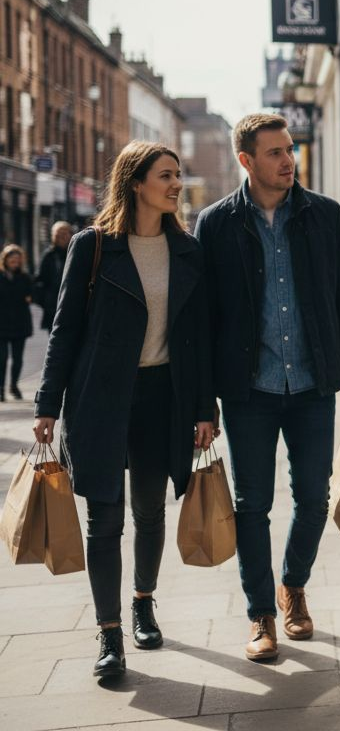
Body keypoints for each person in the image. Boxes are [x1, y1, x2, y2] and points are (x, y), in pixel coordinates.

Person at [194, 113, 340, 662]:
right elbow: (202, 320)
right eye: (274, 152)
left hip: (314, 383)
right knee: (251, 505)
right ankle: (261, 616)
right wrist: (204, 404)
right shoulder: (216, 223)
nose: (287, 160)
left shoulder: (324, 215)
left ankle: (293, 584)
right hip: (249, 390)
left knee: (314, 499)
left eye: (289, 149)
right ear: (246, 161)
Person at [32, 141, 216, 678]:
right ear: (136, 182)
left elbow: (197, 341)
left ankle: (142, 601)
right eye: (167, 175)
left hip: (165, 398)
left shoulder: (187, 249)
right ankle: (109, 634)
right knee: (104, 518)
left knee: (151, 511)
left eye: (179, 175)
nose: (176, 184)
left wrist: (205, 409)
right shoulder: (92, 248)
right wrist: (46, 404)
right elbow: (64, 333)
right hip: (101, 398)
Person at [0, 245, 34, 401]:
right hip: (2, 323)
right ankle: (1, 388)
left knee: (18, 358)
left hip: (20, 323)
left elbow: (33, 293)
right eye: (12, 260)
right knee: (2, 357)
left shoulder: (25, 277)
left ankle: (14, 385)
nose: (15, 263)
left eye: (17, 260)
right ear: (5, 260)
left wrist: (31, 297)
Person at [35, 221, 73, 331]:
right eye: (58, 234)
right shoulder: (49, 255)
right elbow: (40, 279)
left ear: (71, 235)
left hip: (73, 304)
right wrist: (44, 300)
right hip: (52, 306)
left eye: (65, 233)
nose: (61, 237)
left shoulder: (77, 252)